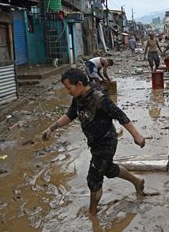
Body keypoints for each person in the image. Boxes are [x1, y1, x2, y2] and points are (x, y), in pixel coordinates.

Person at [42, 68, 146, 217]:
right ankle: (137, 182)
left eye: (68, 88)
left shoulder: (99, 98)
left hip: (106, 142)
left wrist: (137, 136)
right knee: (108, 169)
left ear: (79, 84)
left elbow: (120, 115)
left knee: (94, 178)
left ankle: (92, 212)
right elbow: (70, 114)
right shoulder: (78, 97)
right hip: (94, 142)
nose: (67, 92)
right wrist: (52, 128)